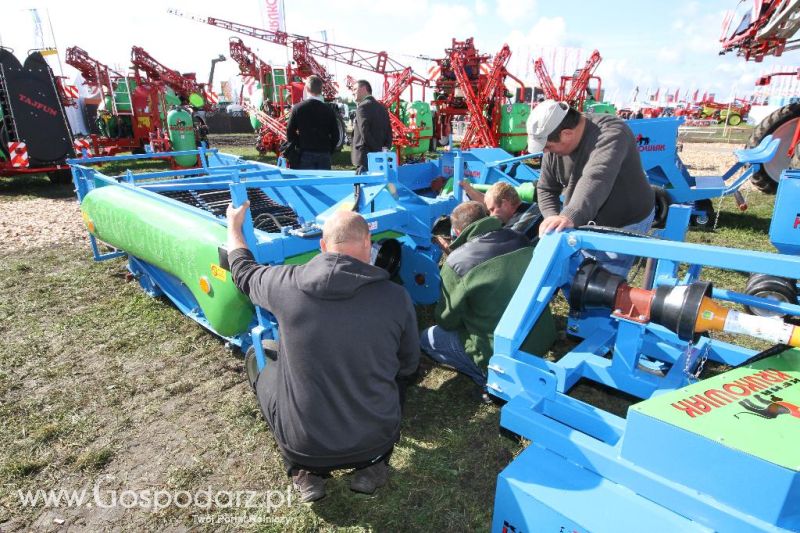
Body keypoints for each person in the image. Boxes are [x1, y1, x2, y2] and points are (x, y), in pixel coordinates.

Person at [226, 205, 419, 502]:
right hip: (375, 441)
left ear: (323, 246)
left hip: (305, 447)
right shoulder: (396, 297)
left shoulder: (285, 284)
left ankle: (306, 474)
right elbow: (408, 367)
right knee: (399, 382)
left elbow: (243, 271)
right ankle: (372, 467)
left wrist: (234, 226)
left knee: (265, 370)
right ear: (368, 243)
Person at [420, 201, 556, 403]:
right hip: (540, 336)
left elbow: (447, 321)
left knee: (428, 338)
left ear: (456, 230)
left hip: (501, 350)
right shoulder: (519, 238)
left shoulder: (457, 263)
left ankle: (490, 381)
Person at [527, 100, 655, 277]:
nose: (546, 152)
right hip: (585, 219)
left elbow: (597, 177)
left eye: (548, 147)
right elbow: (546, 188)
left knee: (601, 286)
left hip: (625, 221)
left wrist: (569, 215)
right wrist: (552, 219)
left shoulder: (612, 133)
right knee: (574, 275)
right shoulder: (554, 144)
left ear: (567, 134)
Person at [285, 75, 340, 170]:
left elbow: (290, 131)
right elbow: (336, 134)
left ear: (306, 89)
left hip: (305, 152)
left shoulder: (298, 108)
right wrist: (329, 150)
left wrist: (298, 143)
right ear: (321, 89)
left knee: (307, 183)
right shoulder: (329, 110)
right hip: (324, 153)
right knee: (323, 183)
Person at [460, 180, 543, 239]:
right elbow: (490, 202)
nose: (491, 215)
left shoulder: (516, 227)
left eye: (492, 210)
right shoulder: (535, 207)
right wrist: (469, 189)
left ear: (505, 204)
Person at [351, 79, 393, 174]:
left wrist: (377, 150)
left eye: (354, 89)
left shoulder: (362, 107)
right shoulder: (382, 108)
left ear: (363, 88)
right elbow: (389, 132)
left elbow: (364, 132)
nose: (352, 92)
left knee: (363, 187)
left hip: (365, 159)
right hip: (380, 158)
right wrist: (384, 150)